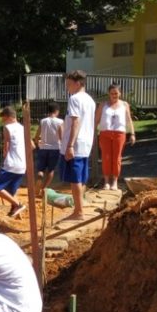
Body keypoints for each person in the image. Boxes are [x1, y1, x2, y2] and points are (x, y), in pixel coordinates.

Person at [60, 70, 96, 221]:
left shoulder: (75, 99)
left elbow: (75, 121)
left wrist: (70, 146)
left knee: (75, 179)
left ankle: (79, 211)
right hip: (86, 143)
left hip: (76, 143)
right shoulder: (90, 100)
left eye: (69, 84)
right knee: (80, 178)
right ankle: (80, 207)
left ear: (77, 83)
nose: (67, 87)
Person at [0, 106, 27, 218]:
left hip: (11, 164)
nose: (2, 121)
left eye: (3, 118)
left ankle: (18, 205)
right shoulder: (22, 128)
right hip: (22, 166)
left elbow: (6, 148)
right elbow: (32, 146)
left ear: (9, 117)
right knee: (10, 192)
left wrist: (4, 163)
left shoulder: (8, 127)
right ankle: (16, 212)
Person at [96, 83, 135, 190]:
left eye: (116, 93)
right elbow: (96, 119)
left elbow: (129, 120)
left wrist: (132, 134)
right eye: (112, 93)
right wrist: (92, 132)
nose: (114, 95)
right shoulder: (103, 105)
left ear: (120, 93)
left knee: (117, 158)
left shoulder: (125, 105)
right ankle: (107, 182)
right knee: (106, 157)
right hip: (105, 134)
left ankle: (115, 182)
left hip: (119, 134)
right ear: (109, 93)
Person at [33, 102, 63, 192]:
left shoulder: (43, 121)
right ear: (57, 111)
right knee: (51, 170)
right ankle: (44, 188)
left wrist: (37, 142)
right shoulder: (60, 122)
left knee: (40, 169)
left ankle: (40, 175)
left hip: (43, 148)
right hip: (55, 148)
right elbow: (62, 137)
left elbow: (37, 136)